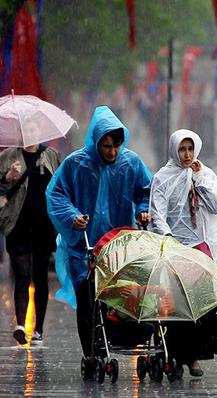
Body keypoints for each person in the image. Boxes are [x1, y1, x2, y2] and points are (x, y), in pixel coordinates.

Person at [45, 105, 152, 364]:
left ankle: (116, 340)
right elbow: (56, 194)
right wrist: (73, 216)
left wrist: (142, 211)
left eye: (116, 146)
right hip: (85, 248)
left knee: (121, 299)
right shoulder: (76, 164)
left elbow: (146, 192)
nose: (112, 152)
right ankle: (92, 353)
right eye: (106, 146)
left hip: (119, 246)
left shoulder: (131, 163)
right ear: (96, 141)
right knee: (87, 301)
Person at [149, 129, 217, 377]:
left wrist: (200, 179)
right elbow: (157, 213)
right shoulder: (163, 178)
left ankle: (195, 357)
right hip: (174, 249)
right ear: (175, 150)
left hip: (200, 248)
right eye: (182, 149)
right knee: (176, 306)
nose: (186, 154)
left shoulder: (203, 173)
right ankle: (175, 354)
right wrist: (169, 239)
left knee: (202, 305)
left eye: (190, 149)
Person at [0, 139, 61, 345]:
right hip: (17, 225)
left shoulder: (51, 155)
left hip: (43, 226)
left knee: (40, 277)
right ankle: (21, 325)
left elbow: (61, 186)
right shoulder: (8, 156)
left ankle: (38, 329)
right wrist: (8, 177)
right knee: (22, 275)